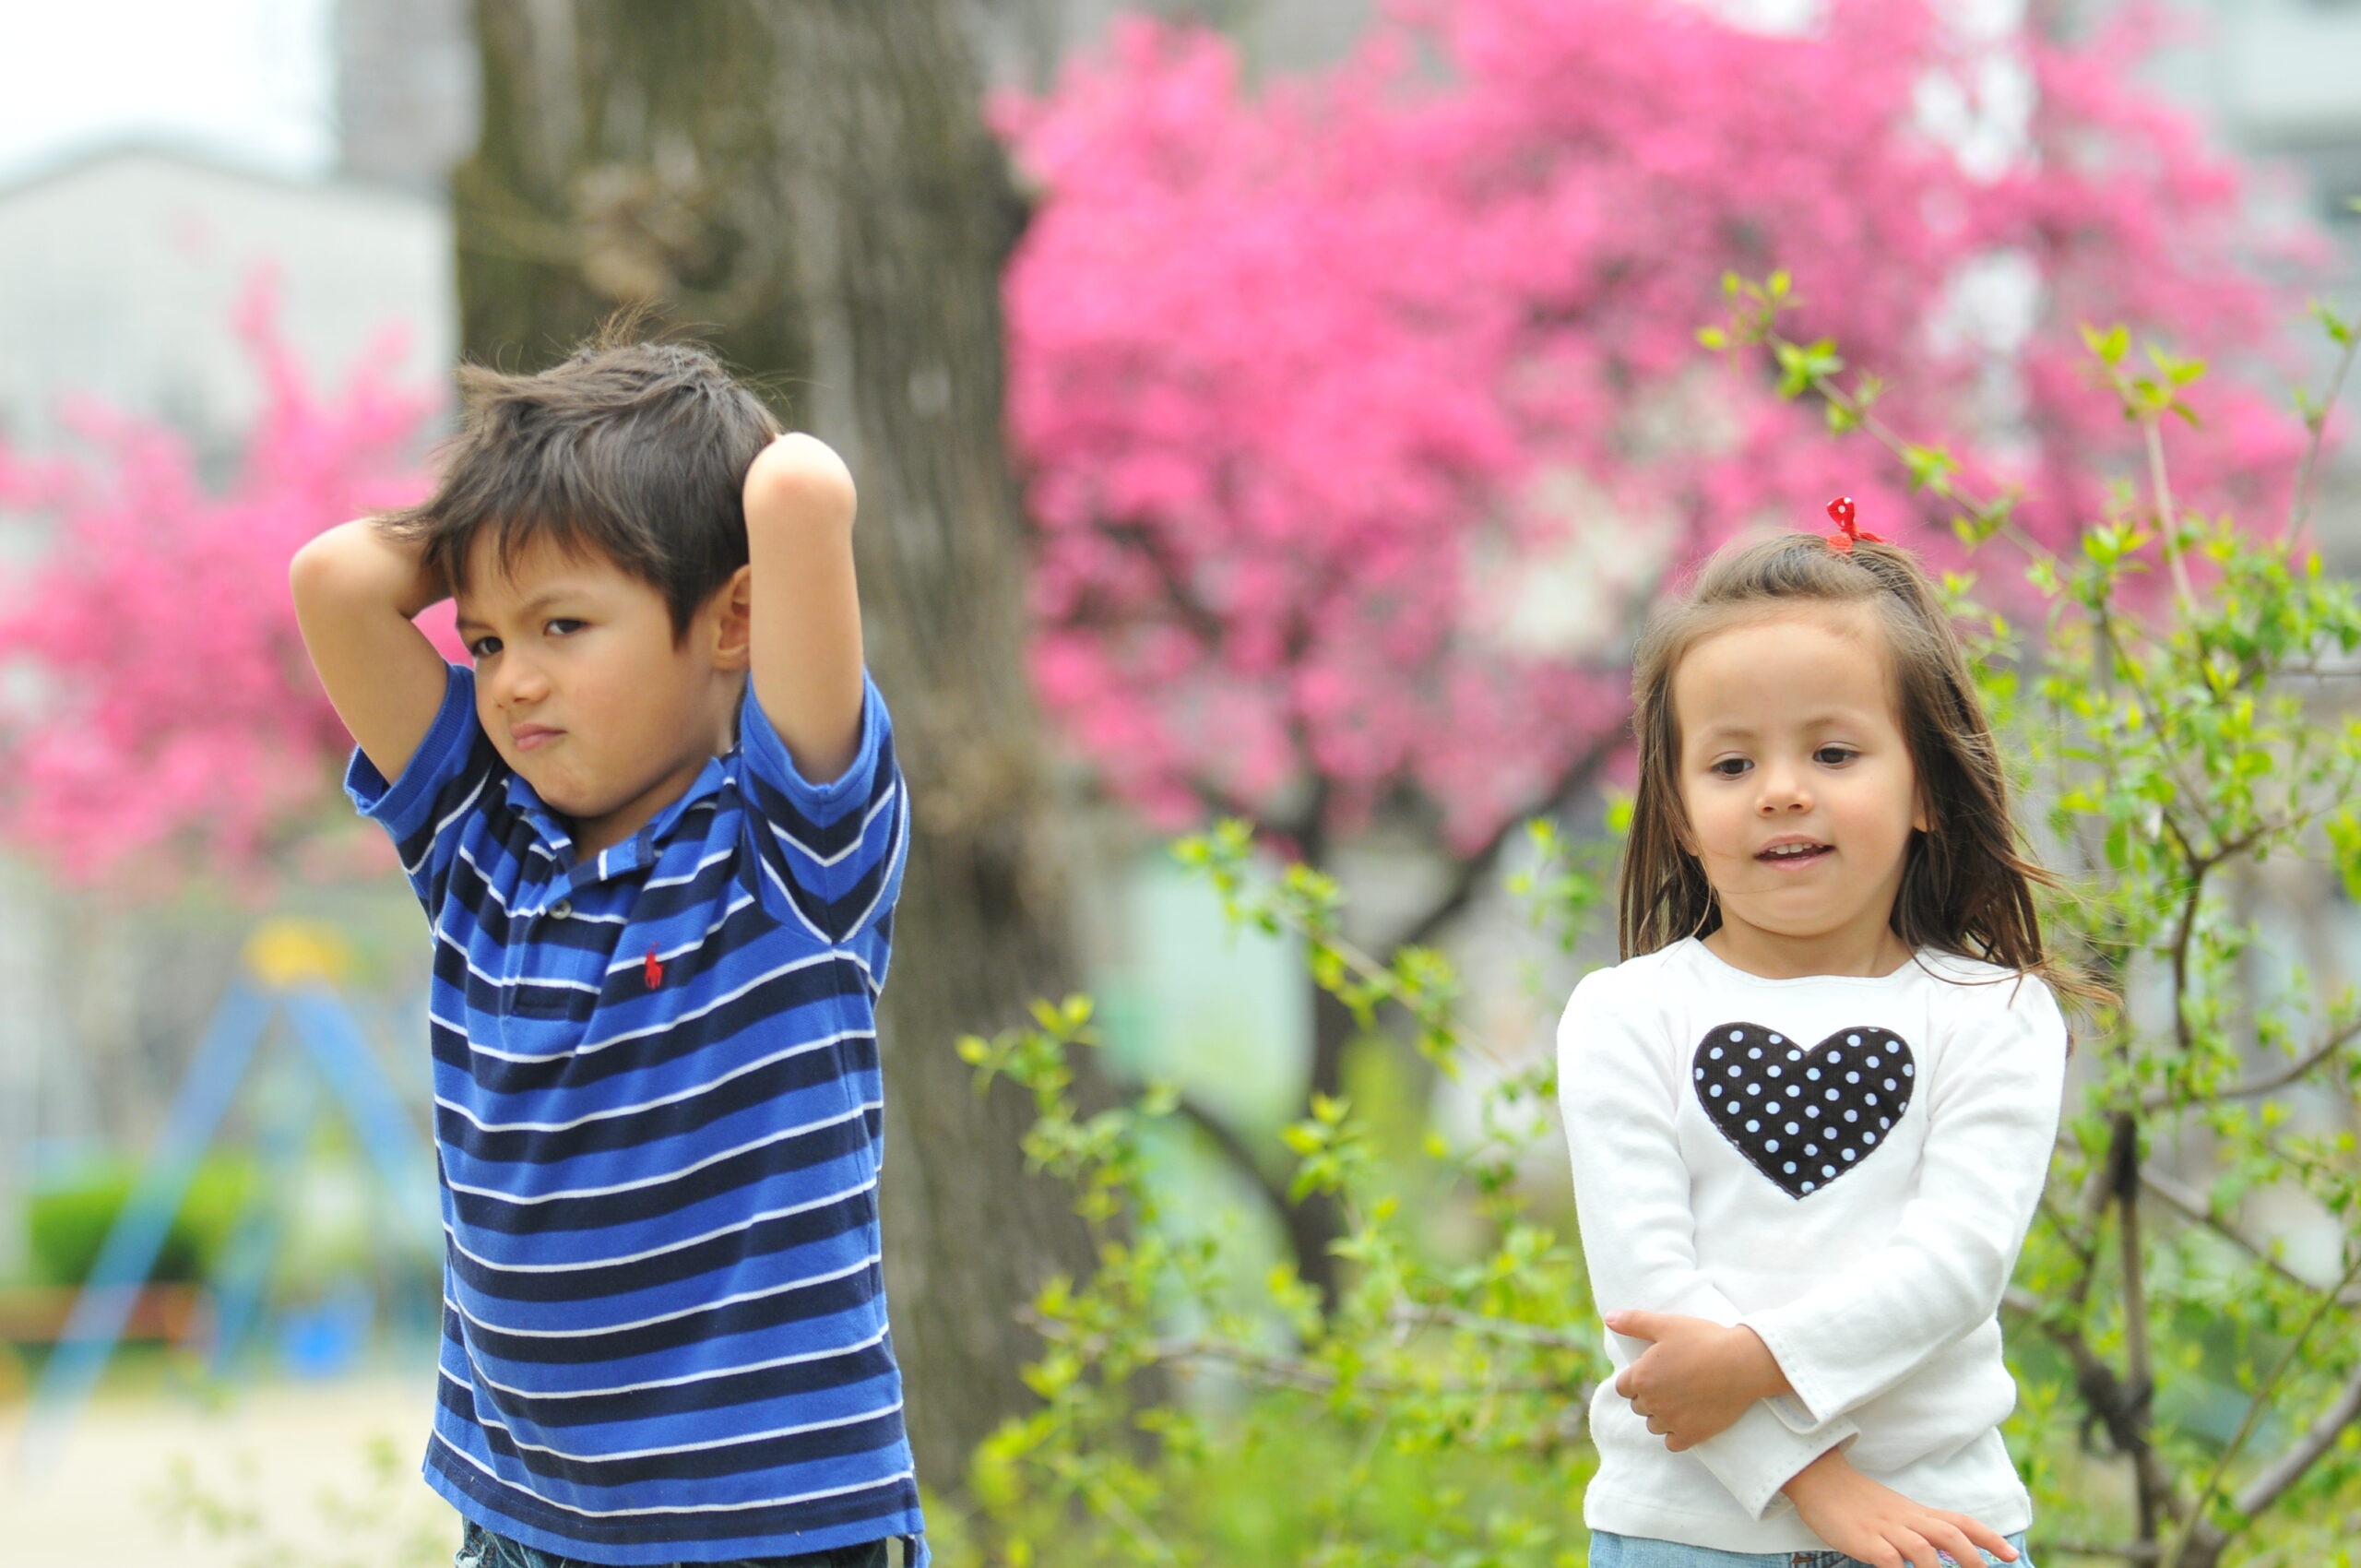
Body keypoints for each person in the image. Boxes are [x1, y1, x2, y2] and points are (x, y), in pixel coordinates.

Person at [290, 335, 924, 1568]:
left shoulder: (789, 856)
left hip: (769, 1524)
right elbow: (333, 582)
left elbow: (799, 494)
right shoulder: (482, 853)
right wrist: (500, 513)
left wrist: (604, 490)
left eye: (563, 624)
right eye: (484, 643)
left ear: (734, 618)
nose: (514, 681)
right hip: (525, 1517)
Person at [1560, 500, 2090, 1568]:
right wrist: (1820, 1488)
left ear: (1927, 789)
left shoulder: (1990, 1014)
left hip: (1942, 1528)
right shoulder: (1624, 1014)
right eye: (1730, 765)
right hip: (1686, 1532)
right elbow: (1648, 1303)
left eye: (1835, 751)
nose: (1783, 791)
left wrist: (1755, 1358)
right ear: (1673, 808)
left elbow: (1952, 1266)